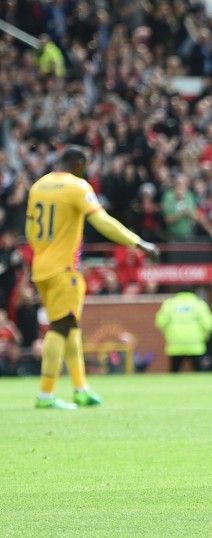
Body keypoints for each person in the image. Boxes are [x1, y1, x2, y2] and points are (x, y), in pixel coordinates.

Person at [25, 146, 159, 409]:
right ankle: (45, 394)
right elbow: (102, 222)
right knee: (60, 327)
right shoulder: (77, 186)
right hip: (64, 269)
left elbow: (30, 230)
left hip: (41, 267)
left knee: (70, 326)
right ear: (79, 164)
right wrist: (138, 242)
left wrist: (45, 253)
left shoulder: (39, 186)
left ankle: (80, 388)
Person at [155, 290, 212, 373]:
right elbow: (209, 324)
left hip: (175, 345)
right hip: (195, 345)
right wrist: (203, 338)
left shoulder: (170, 304)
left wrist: (168, 334)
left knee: (174, 371)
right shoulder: (198, 303)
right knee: (199, 373)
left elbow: (160, 322)